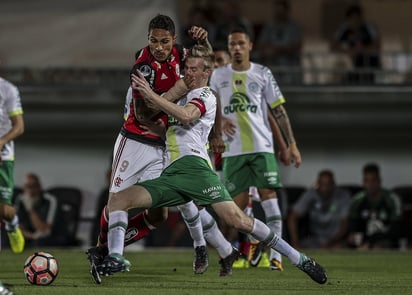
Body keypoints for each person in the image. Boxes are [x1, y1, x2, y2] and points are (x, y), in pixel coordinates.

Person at [97, 45, 327, 285]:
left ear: (207, 72)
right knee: (119, 200)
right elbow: (167, 126)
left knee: (238, 221)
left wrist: (152, 95)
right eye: (186, 68)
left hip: (196, 169)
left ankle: (299, 259)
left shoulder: (205, 95)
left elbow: (186, 116)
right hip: (172, 172)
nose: (188, 72)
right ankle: (115, 257)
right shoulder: (182, 93)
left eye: (194, 69)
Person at [87, 14, 233, 283]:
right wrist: (179, 89)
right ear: (148, 40)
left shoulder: (182, 54)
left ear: (174, 40)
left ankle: (215, 248)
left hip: (164, 145)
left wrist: (206, 41)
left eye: (164, 41)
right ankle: (103, 251)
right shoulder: (143, 67)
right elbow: (144, 114)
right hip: (135, 142)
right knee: (115, 204)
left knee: (163, 211)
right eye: (154, 41)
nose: (159, 47)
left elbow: (205, 68)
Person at [209, 26, 302, 272]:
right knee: (235, 214)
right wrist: (218, 128)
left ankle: (276, 258)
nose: (237, 48)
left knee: (270, 202)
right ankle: (255, 242)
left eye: (241, 44)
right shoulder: (218, 76)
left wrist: (290, 144)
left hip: (261, 148)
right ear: (229, 48)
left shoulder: (262, 73)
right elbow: (210, 109)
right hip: (232, 152)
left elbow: (278, 111)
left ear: (249, 46)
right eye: (232, 45)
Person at [288, 169, 351, 249]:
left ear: (334, 184)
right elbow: (292, 216)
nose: (325, 188)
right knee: (301, 251)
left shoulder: (343, 195)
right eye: (323, 184)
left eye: (328, 184)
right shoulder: (311, 194)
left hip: (336, 240)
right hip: (315, 240)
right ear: (317, 184)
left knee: (344, 248)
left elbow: (345, 223)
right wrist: (295, 243)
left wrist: (331, 242)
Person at [347, 163, 403, 249]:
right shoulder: (357, 200)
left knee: (377, 247)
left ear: (379, 181)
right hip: (364, 242)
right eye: (367, 181)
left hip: (386, 241)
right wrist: (353, 236)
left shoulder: (392, 199)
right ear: (363, 182)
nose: (370, 184)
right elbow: (353, 227)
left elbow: (396, 230)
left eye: (373, 180)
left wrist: (371, 242)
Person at [0, 76, 25, 254]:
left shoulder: (8, 89)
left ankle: (12, 225)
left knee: (4, 210)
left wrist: (1, 142)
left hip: (3, 155)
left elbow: (19, 126)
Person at [330, 4, 381, 84]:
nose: (355, 22)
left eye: (357, 19)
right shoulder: (344, 29)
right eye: (352, 19)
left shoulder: (369, 27)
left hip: (370, 62)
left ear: (361, 18)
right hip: (354, 64)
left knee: (369, 81)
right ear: (348, 19)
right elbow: (333, 46)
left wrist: (363, 50)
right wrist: (349, 51)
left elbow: (377, 46)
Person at [256, 0, 303, 84]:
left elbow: (296, 47)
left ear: (287, 11)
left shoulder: (294, 28)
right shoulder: (269, 27)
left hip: (290, 70)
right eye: (277, 11)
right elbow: (261, 46)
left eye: (282, 11)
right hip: (273, 70)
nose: (279, 14)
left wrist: (277, 50)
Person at [14, 173, 63, 246]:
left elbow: (44, 229)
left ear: (39, 187)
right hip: (30, 236)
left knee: (39, 242)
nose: (31, 190)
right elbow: (18, 227)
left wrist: (31, 210)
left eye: (34, 186)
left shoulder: (49, 200)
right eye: (28, 187)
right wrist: (32, 236)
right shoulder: (20, 200)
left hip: (50, 236)